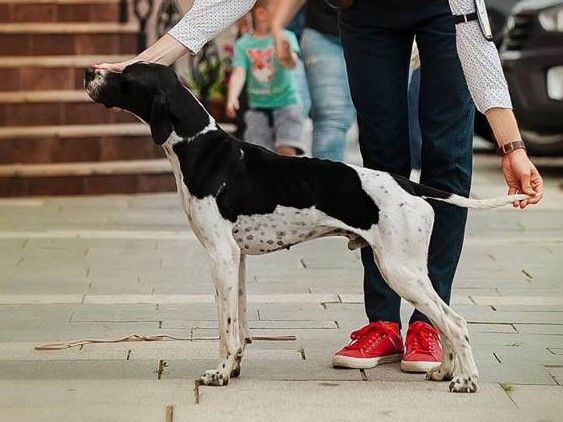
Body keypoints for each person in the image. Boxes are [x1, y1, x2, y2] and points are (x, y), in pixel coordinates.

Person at [94, 0, 543, 371]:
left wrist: (512, 146)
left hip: (443, 13)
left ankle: (430, 322)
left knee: (445, 151)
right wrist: (143, 64)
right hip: (366, 15)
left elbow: (478, 46)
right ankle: (383, 324)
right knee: (382, 158)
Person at [225, 0, 305, 156]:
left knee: (286, 149)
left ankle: (286, 179)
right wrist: (232, 97)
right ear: (261, 13)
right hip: (257, 107)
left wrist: (287, 55)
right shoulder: (243, 44)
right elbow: (239, 72)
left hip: (287, 104)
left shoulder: (286, 37)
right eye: (279, 9)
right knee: (258, 152)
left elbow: (292, 64)